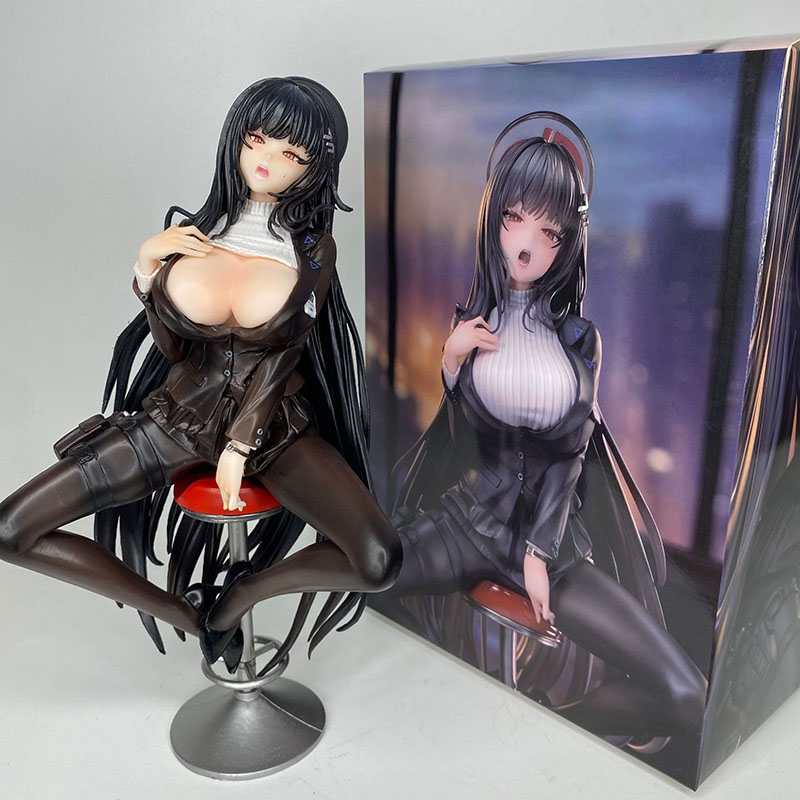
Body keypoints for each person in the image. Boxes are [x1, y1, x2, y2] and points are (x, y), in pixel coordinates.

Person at [0, 76, 402, 672]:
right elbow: (173, 348)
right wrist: (146, 271)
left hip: (276, 428)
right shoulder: (193, 232)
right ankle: (191, 615)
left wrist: (240, 445)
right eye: (256, 140)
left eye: (291, 153)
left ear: (315, 168)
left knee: (378, 557)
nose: (266, 161)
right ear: (235, 139)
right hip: (177, 417)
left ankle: (239, 595)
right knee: (11, 529)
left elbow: (284, 353)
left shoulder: (313, 249)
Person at [378, 113, 707, 739]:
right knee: (369, 574)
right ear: (493, 219)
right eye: (513, 219)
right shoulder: (474, 323)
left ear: (567, 242)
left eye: (548, 231)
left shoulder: (579, 339)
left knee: (686, 694)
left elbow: (569, 457)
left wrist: (538, 553)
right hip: (466, 525)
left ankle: (552, 728)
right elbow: (459, 444)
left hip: (555, 552)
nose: (526, 244)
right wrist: (450, 362)